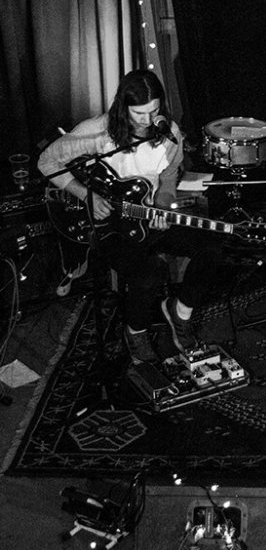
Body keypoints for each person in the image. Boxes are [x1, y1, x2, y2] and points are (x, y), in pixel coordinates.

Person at [38, 69, 223, 363]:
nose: (148, 120)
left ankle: (179, 312)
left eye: (154, 111)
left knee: (212, 247)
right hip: (107, 225)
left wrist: (163, 206)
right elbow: (47, 161)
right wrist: (85, 194)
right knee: (148, 275)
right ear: (123, 106)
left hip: (145, 215)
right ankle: (135, 332)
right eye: (139, 113)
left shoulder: (169, 134)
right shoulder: (97, 132)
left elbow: (168, 177)